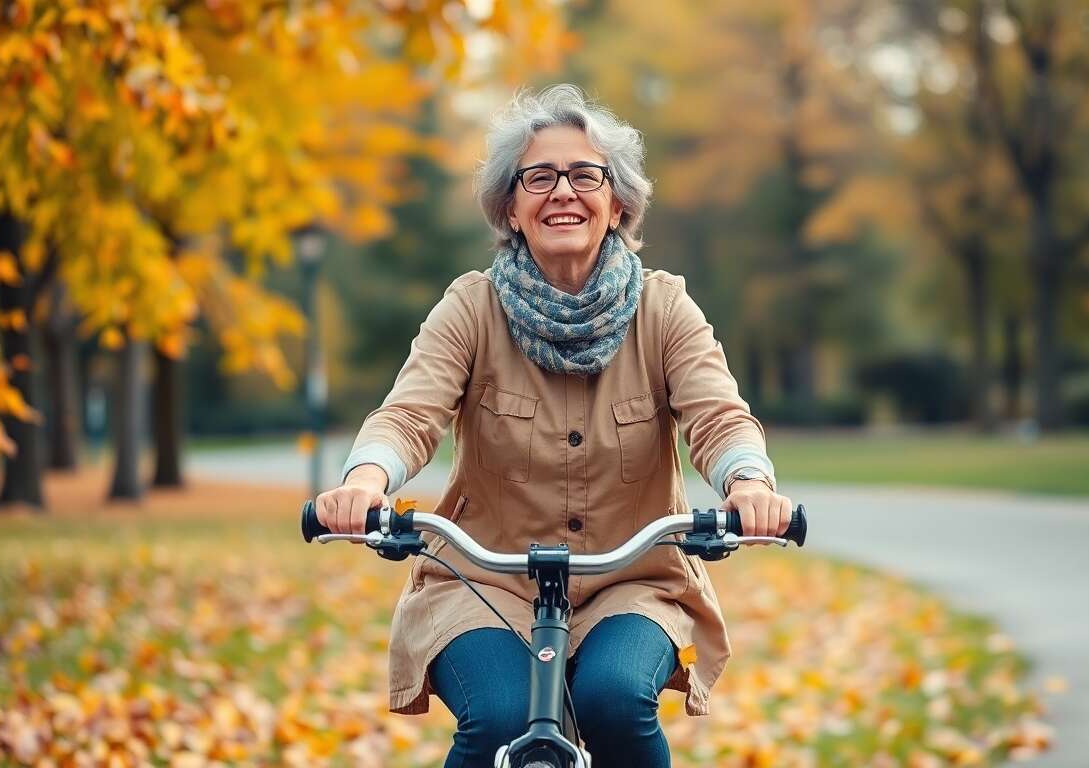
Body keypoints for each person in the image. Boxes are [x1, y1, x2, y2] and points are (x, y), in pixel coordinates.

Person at [315, 84, 791, 768]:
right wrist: (365, 482)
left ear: (617, 203)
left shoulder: (664, 309)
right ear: (510, 208)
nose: (562, 190)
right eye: (538, 177)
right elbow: (410, 413)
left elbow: (718, 415)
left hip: (633, 581)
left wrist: (748, 484)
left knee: (614, 698)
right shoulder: (471, 308)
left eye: (585, 175)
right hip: (485, 582)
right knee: (499, 717)